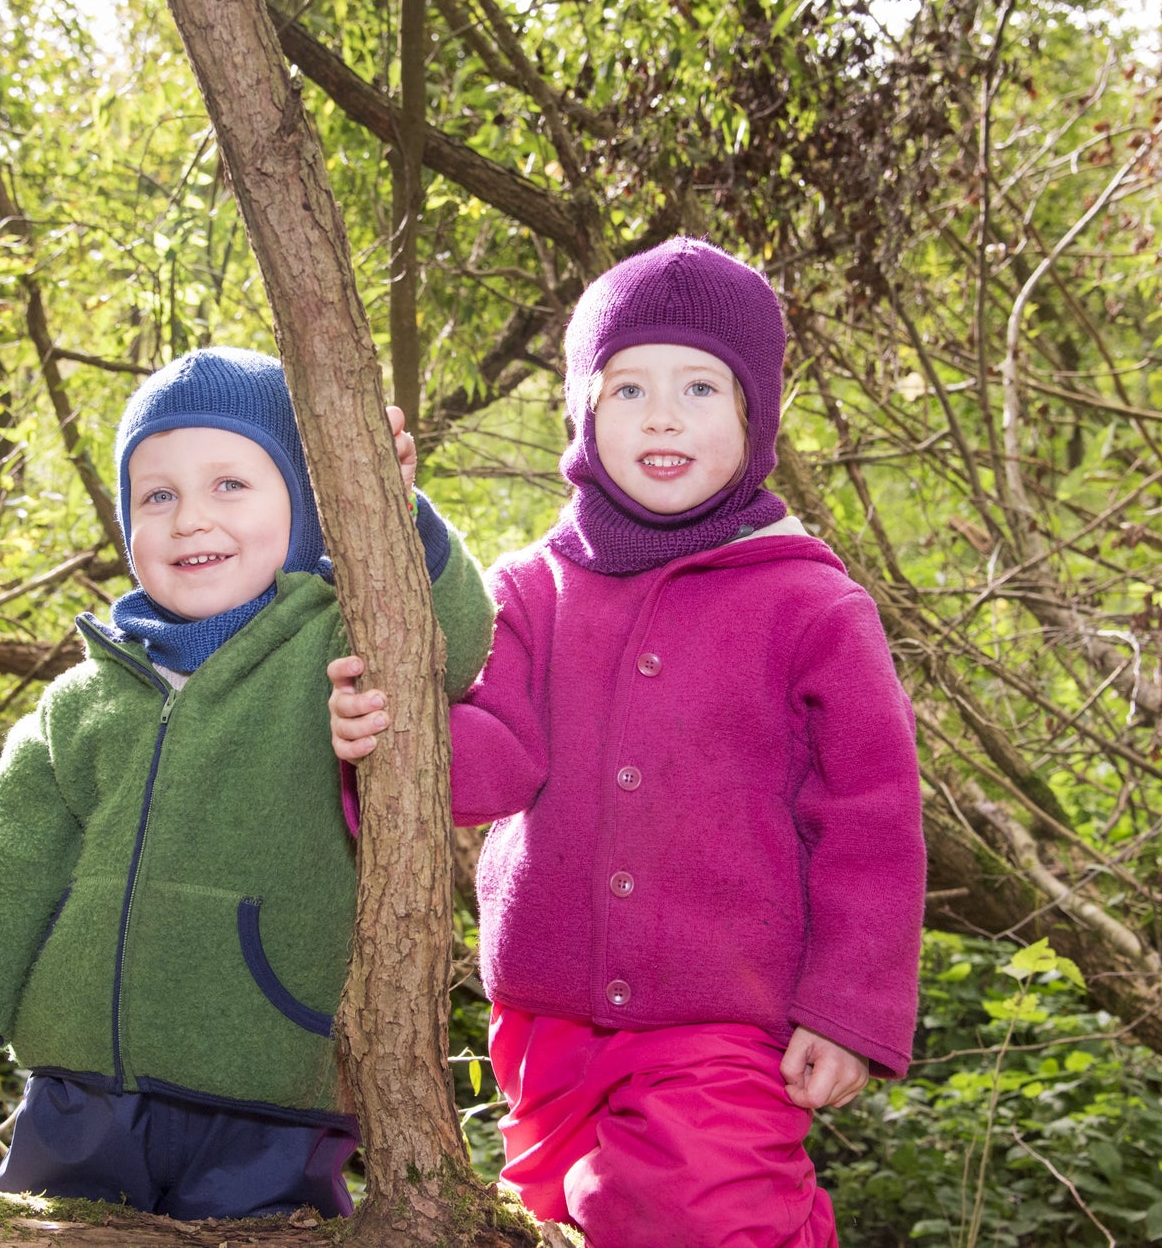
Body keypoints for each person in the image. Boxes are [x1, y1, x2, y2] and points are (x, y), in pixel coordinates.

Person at [328, 238, 924, 1247]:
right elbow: (493, 759)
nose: (660, 414)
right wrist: (377, 739)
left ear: (753, 415)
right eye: (627, 386)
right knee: (558, 1222)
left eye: (700, 386)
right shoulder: (529, 586)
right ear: (581, 411)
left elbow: (869, 818)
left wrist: (848, 1007)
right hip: (541, 1020)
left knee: (709, 1214)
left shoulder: (809, 602)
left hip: (722, 1015)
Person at [0, 346, 496, 1221]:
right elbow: (5, 891)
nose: (191, 519)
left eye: (231, 484)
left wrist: (399, 515)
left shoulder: (332, 649)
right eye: (158, 495)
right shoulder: (78, 705)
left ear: (310, 506)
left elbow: (452, 643)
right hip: (78, 1097)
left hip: (267, 1088)